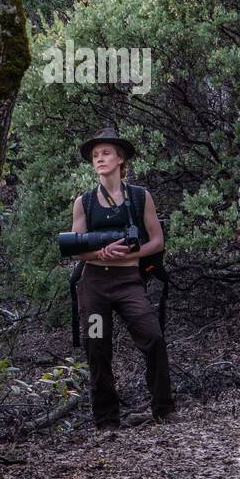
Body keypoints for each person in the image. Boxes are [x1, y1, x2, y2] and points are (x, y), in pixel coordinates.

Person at [71, 127, 179, 430]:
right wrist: (100, 254)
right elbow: (76, 248)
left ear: (120, 158)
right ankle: (106, 422)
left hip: (129, 282)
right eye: (95, 155)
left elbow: (157, 241)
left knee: (153, 337)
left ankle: (164, 408)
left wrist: (131, 257)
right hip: (94, 285)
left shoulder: (139, 197)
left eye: (106, 153)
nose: (99, 159)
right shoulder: (84, 202)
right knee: (97, 348)